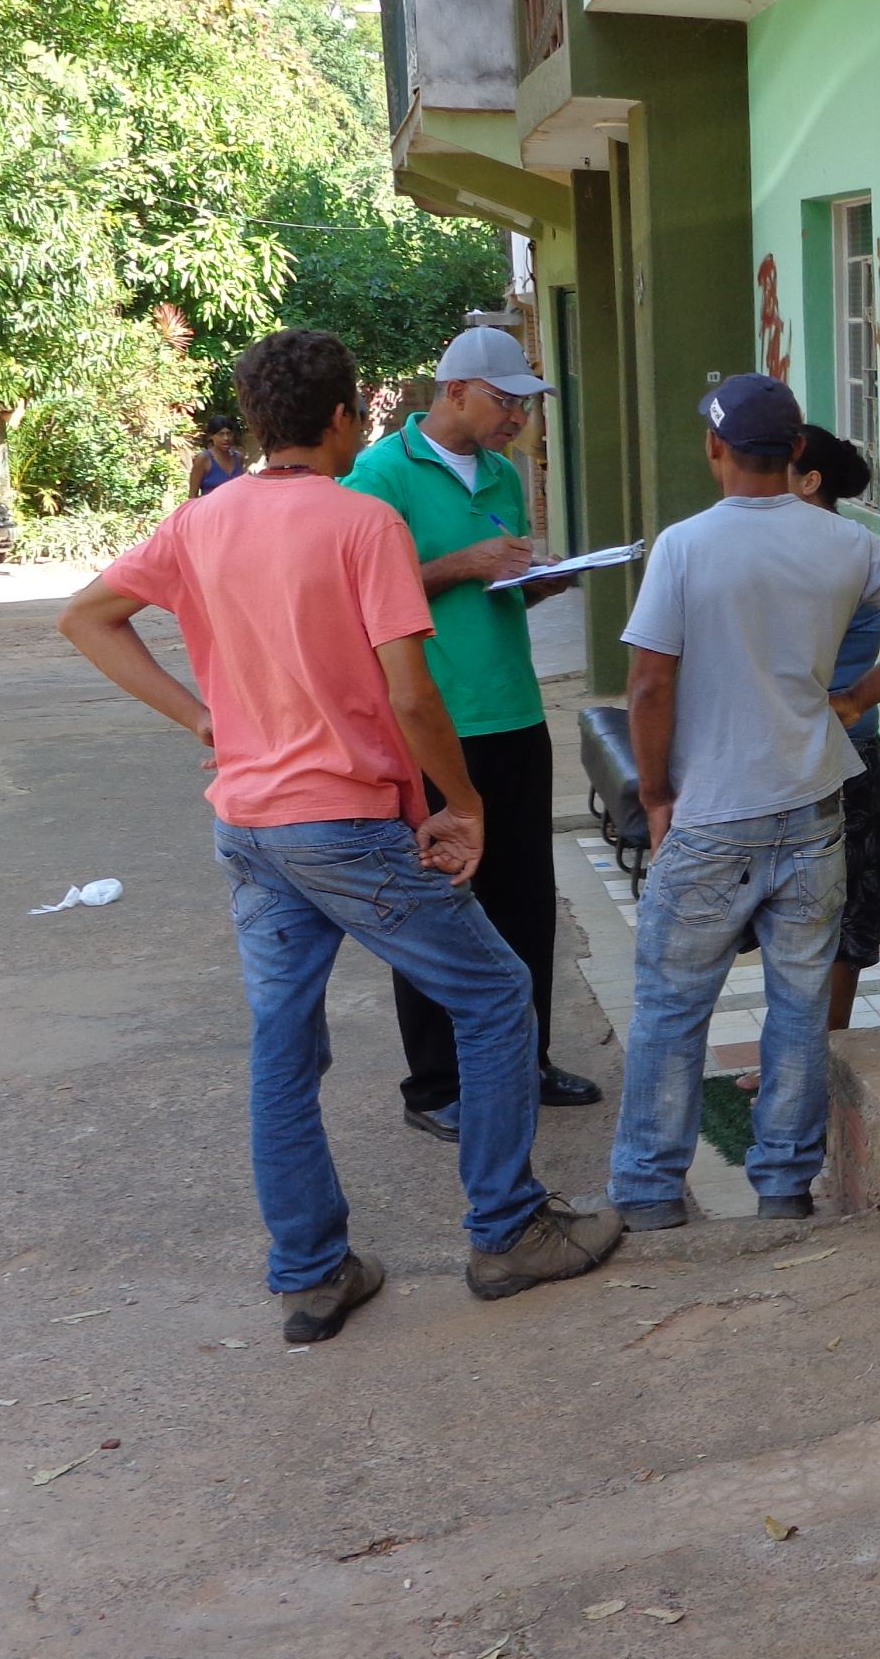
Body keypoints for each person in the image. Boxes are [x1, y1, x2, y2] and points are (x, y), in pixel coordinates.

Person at [56, 328, 620, 1344]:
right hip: (347, 822)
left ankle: (312, 1275)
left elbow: (88, 617)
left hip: (250, 823)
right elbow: (409, 691)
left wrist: (202, 720)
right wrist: (462, 800)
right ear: (340, 418)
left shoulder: (201, 522)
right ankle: (507, 1230)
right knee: (495, 996)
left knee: (282, 1045)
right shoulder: (361, 524)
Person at [600, 376, 880, 1226]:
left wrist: (653, 795)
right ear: (796, 451)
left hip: (710, 812)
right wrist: (857, 696)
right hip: (811, 807)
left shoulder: (685, 546)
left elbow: (650, 683)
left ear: (715, 449)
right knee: (799, 1005)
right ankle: (783, 1189)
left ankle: (652, 1194)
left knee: (671, 1005)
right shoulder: (844, 543)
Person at [344, 325, 600, 1144]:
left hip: (514, 709)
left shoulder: (500, 474)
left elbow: (497, 593)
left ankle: (527, 1059)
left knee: (526, 898)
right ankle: (435, 1084)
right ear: (453, 391)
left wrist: (537, 582)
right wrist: (461, 564)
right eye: (505, 401)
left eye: (526, 406)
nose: (517, 421)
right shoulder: (379, 475)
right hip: (434, 720)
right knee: (436, 903)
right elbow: (354, 594)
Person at [731, 425, 880, 1095]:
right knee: (804, 911)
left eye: (779, 471)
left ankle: (811, 1064)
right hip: (814, 751)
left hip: (829, 757)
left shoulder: (836, 554)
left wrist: (853, 700)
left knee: (833, 913)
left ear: (810, 482)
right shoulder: (836, 549)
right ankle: (802, 1058)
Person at [188, 421, 247, 498]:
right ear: (211, 436)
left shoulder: (238, 457)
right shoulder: (203, 459)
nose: (226, 438)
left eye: (229, 433)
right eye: (220, 434)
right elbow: (193, 495)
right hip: (210, 508)